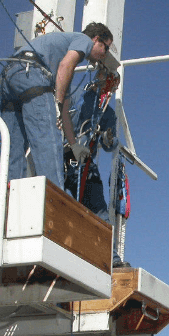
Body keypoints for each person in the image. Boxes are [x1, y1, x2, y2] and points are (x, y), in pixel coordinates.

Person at [0, 23, 113, 189]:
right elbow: (65, 66)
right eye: (106, 49)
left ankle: (6, 196)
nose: (104, 55)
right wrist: (57, 104)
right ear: (96, 40)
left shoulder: (61, 66)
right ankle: (53, 199)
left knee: (13, 147)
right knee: (48, 139)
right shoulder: (83, 40)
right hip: (32, 74)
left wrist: (74, 145)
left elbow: (64, 110)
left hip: (9, 76)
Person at [63, 70, 127, 267]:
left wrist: (110, 139)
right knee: (56, 203)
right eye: (105, 78)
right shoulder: (77, 96)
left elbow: (109, 144)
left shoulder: (107, 112)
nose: (109, 84)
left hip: (85, 164)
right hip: (62, 158)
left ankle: (110, 258)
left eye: (113, 82)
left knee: (99, 210)